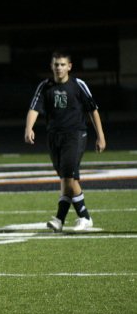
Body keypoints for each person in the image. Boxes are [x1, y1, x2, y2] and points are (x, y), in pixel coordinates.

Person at [24, 51, 106, 232]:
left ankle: (76, 217)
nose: (59, 68)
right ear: (51, 66)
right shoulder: (45, 86)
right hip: (54, 137)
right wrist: (29, 128)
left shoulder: (78, 85)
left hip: (75, 136)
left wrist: (100, 135)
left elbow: (93, 110)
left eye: (62, 64)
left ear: (69, 66)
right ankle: (67, 219)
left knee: (68, 177)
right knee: (67, 179)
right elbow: (34, 108)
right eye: (56, 64)